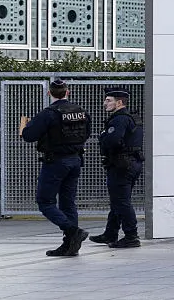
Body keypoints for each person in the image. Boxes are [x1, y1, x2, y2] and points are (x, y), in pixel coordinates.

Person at [19, 78, 91, 256]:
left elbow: (28, 135)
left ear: (49, 93)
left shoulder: (49, 113)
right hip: (75, 160)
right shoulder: (81, 112)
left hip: (55, 162)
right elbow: (87, 133)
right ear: (68, 92)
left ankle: (73, 231)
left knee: (45, 202)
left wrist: (24, 126)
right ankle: (70, 245)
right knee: (68, 203)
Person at [89, 89, 144, 248]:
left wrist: (103, 136)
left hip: (121, 165)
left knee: (122, 201)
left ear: (119, 102)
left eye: (108, 100)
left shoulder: (119, 119)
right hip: (130, 163)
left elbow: (112, 141)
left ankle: (131, 236)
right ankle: (110, 233)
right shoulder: (130, 118)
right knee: (117, 201)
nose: (105, 103)